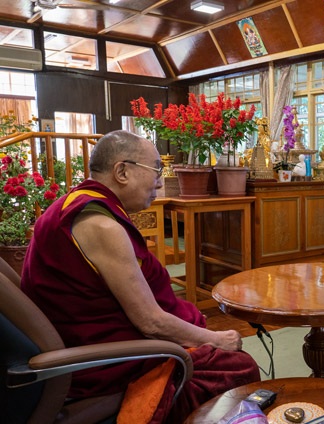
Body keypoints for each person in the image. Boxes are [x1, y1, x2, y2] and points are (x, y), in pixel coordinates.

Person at [20, 130, 260, 423]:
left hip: (91, 340)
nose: (160, 181)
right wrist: (216, 339)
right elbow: (151, 323)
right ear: (122, 171)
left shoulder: (76, 202)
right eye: (157, 170)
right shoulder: (100, 225)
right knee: (238, 366)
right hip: (103, 362)